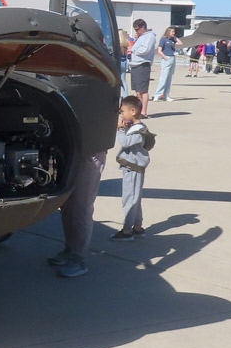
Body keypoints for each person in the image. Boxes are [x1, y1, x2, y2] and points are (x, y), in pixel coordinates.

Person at [46, 151, 107, 278]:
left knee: (82, 207)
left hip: (92, 151)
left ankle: (79, 260)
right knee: (67, 203)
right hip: (73, 151)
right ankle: (70, 249)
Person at [112, 95, 153, 240]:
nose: (122, 114)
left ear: (133, 111)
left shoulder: (138, 131)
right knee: (135, 198)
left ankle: (127, 231)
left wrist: (120, 129)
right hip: (132, 168)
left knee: (130, 199)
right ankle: (137, 227)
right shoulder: (136, 128)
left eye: (123, 111)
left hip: (134, 169)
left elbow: (125, 142)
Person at [128, 19, 156, 117]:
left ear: (143, 27)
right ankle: (139, 110)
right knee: (137, 90)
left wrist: (133, 49)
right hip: (135, 65)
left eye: (137, 29)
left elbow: (145, 50)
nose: (136, 32)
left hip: (143, 64)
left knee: (143, 90)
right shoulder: (141, 37)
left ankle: (143, 112)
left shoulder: (150, 36)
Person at [152, 27, 183, 102]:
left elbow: (181, 43)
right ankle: (157, 95)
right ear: (168, 32)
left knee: (170, 78)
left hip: (172, 58)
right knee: (163, 78)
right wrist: (165, 57)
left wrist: (175, 38)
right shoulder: (163, 39)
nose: (174, 33)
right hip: (166, 58)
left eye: (174, 32)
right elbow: (159, 50)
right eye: (172, 32)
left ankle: (166, 95)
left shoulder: (173, 40)